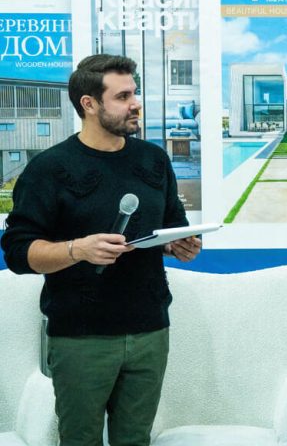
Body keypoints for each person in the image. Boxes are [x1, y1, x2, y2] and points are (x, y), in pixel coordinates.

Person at [1, 54, 201, 445]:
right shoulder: (49, 168)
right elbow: (18, 252)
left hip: (150, 329)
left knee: (136, 441)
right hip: (81, 337)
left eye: (135, 93)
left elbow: (172, 227)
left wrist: (180, 245)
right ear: (89, 104)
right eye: (123, 96)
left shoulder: (154, 160)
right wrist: (77, 249)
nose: (136, 103)